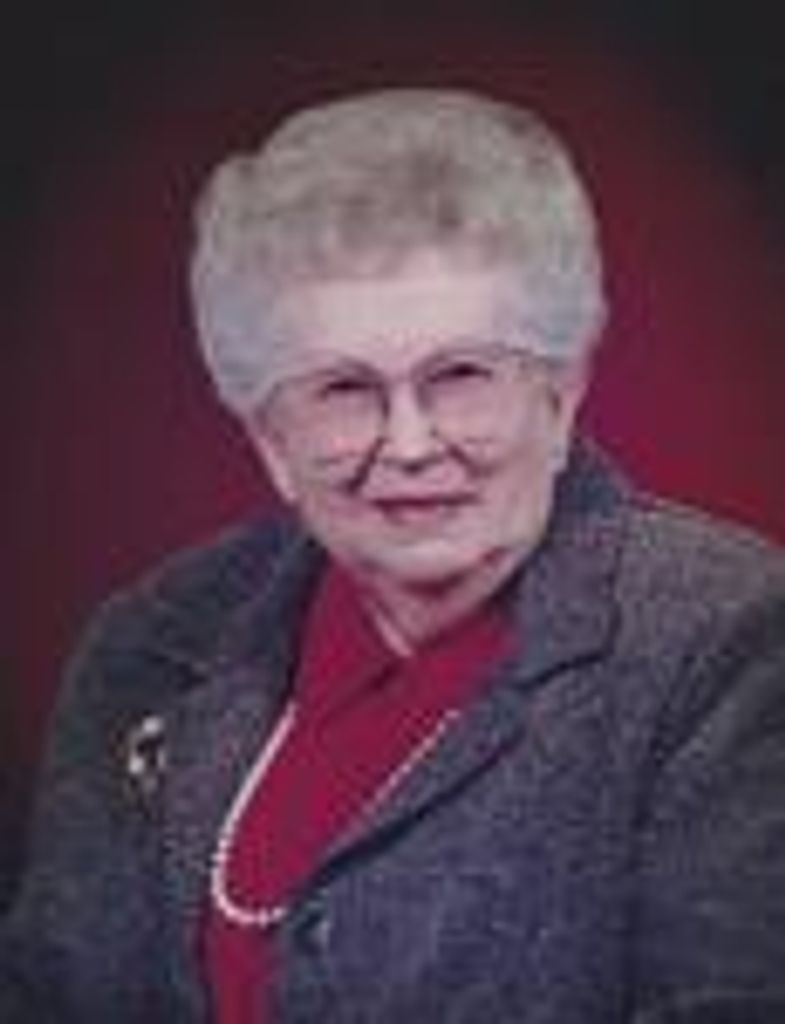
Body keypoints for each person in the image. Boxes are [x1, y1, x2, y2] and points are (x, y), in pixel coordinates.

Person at [1, 87, 784, 1024]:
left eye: (461, 376)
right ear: (269, 437)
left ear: (560, 394)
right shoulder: (156, 640)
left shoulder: (720, 635)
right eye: (342, 389)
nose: (409, 444)